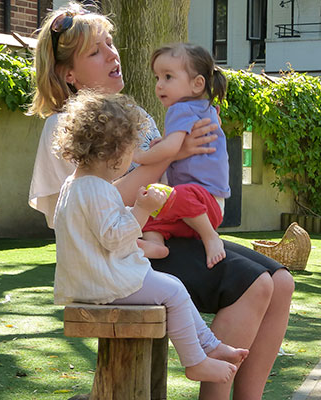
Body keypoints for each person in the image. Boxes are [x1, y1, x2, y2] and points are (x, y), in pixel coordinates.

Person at [28, 3, 294, 399]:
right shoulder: (65, 126)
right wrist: (173, 154)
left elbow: (163, 183)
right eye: (95, 51)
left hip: (156, 233)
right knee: (254, 284)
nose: (112, 54)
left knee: (282, 280)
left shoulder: (132, 113)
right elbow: (91, 206)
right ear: (69, 74)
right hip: (117, 255)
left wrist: (195, 155)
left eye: (110, 43)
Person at [52, 90, 248, 383]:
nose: (131, 160)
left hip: (87, 280)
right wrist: (143, 209)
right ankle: (196, 361)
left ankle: (211, 345)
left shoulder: (74, 186)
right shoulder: (97, 188)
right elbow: (114, 238)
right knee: (175, 291)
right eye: (129, 152)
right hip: (105, 283)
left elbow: (94, 233)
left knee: (172, 287)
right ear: (113, 153)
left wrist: (135, 218)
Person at [136, 43, 230, 269]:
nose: (159, 85)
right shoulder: (204, 108)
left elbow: (170, 150)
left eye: (168, 77)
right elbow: (174, 147)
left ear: (197, 84)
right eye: (157, 77)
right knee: (151, 213)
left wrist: (139, 156)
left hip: (201, 203)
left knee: (177, 194)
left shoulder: (180, 109)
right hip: (194, 214)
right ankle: (156, 244)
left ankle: (210, 237)